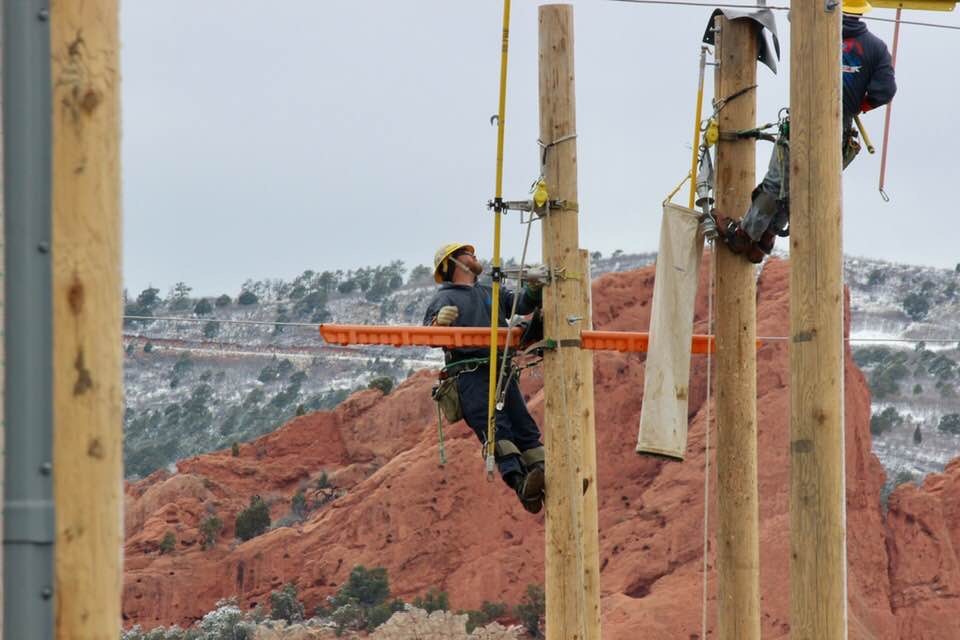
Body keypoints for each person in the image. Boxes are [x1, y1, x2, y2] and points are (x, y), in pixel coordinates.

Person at [715, 0, 897, 263]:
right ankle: (765, 239)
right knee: (801, 187)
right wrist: (855, 106)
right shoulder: (876, 48)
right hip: (839, 128)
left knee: (776, 183)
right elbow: (885, 91)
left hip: (804, 117)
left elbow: (793, 14)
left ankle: (744, 236)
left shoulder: (811, 27)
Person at [423, 242, 547, 514]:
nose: (474, 256)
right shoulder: (445, 298)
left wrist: (535, 288)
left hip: (501, 369)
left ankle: (545, 475)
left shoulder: (489, 291)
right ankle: (521, 483)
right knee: (497, 428)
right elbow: (429, 335)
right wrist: (440, 323)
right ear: (452, 264)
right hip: (471, 376)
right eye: (468, 254)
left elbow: (521, 303)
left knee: (523, 425)